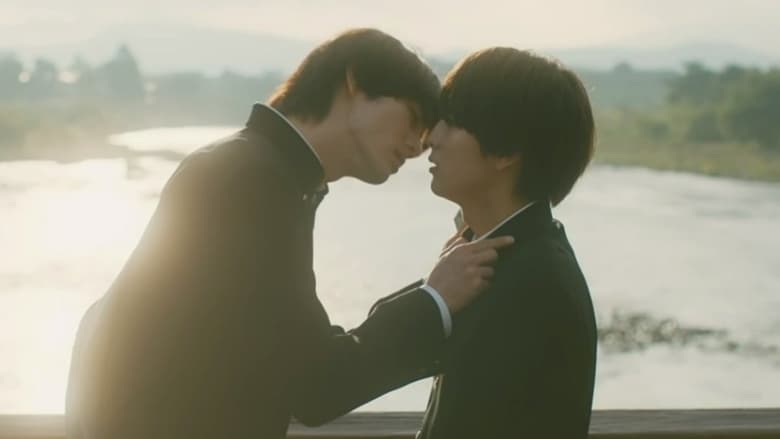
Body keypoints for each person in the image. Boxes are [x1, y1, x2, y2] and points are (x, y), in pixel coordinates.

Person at [65, 29, 513, 439]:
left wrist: (433, 291)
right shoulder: (252, 182)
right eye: (413, 118)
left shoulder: (251, 167)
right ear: (354, 84)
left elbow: (289, 353)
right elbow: (316, 384)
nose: (417, 146)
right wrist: (435, 302)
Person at [414, 47, 598, 438]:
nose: (431, 137)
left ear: (507, 151)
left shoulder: (531, 279)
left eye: (453, 122)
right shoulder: (507, 255)